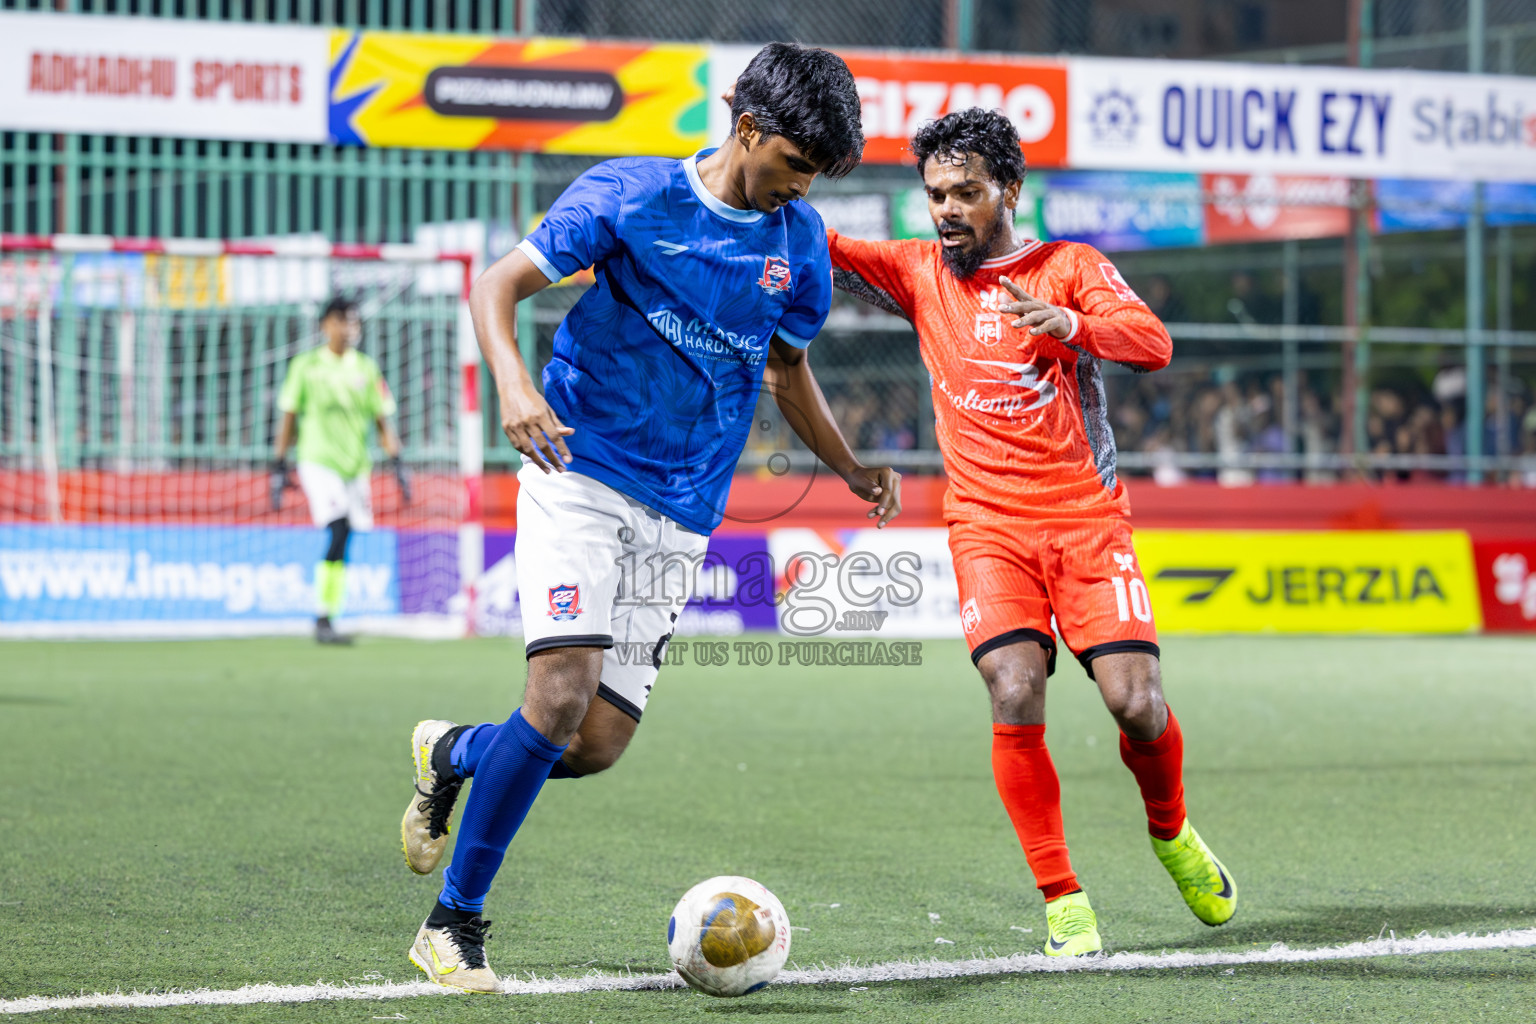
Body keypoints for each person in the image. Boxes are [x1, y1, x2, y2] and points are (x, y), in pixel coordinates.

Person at [397, 43, 901, 992]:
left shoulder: (798, 244)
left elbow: (788, 371)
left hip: (683, 509)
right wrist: (515, 387)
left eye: (818, 174)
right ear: (747, 127)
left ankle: (452, 751)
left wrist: (850, 468)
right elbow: (495, 285)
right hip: (578, 466)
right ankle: (453, 924)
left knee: (592, 744)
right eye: (796, 162)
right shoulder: (629, 195)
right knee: (557, 696)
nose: (802, 186)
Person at [825, 108, 1236, 956]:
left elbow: (1153, 343)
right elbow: (817, 242)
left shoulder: (1070, 267)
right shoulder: (917, 273)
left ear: (1009, 190)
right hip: (987, 527)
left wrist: (1073, 326)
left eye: (966, 192)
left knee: (1137, 703)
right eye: (936, 194)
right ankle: (1063, 899)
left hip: (1087, 521)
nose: (947, 209)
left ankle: (1171, 831)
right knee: (1014, 689)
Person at [272, 297, 407, 645]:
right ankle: (322, 617)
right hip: (317, 460)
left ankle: (328, 614)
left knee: (345, 537)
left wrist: (397, 464)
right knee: (339, 527)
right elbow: (288, 415)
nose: (349, 328)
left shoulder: (366, 368)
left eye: (354, 322)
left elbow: (382, 420)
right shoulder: (306, 366)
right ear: (326, 325)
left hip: (355, 466)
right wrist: (279, 463)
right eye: (343, 321)